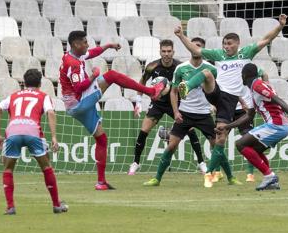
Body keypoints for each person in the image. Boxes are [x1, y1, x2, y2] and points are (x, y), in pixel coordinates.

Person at [174, 15, 287, 187]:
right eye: (224, 44)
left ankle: (218, 174)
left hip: (235, 102)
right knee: (206, 74)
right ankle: (187, 87)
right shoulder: (218, 54)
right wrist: (181, 36)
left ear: (237, 44)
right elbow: (196, 51)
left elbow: (265, 40)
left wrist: (279, 26)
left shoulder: (246, 53)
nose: (226, 47)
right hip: (219, 95)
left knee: (225, 139)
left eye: (229, 44)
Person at [59, 30, 165, 190]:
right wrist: (94, 76)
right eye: (85, 42)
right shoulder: (72, 64)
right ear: (76, 44)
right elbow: (79, 87)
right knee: (112, 76)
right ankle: (151, 91)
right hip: (79, 101)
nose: (87, 45)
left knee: (101, 139)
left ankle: (101, 182)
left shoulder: (75, 55)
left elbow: (92, 53)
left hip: (76, 106)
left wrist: (108, 46)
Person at [218, 63, 288, 191]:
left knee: (240, 144)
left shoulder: (257, 85)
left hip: (276, 125)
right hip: (276, 125)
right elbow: (249, 116)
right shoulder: (254, 89)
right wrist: (228, 126)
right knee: (254, 149)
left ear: (245, 76)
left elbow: (278, 100)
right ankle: (272, 182)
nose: (241, 78)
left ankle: (269, 176)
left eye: (242, 76)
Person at [144, 38, 219, 187]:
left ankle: (219, 174)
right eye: (194, 46)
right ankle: (157, 178)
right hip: (185, 112)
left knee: (216, 145)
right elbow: (173, 92)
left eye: (199, 47)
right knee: (171, 146)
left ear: (203, 50)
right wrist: (176, 111)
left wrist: (214, 104)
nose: (195, 49)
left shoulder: (211, 69)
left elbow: (215, 90)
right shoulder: (181, 68)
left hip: (204, 113)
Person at [0, 69, 68, 215]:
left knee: (8, 169)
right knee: (46, 167)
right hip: (33, 132)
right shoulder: (43, 96)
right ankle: (56, 205)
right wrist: (53, 137)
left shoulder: (13, 96)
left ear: (24, 83)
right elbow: (51, 112)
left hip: (13, 131)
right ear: (40, 83)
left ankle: (10, 207)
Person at [128, 39, 206, 175]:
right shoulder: (152, 66)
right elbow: (142, 82)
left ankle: (201, 163)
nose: (166, 54)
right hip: (158, 104)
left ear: (173, 52)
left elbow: (189, 85)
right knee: (144, 130)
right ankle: (135, 163)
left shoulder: (180, 67)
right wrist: (139, 102)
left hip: (176, 103)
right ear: (160, 52)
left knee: (190, 130)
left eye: (169, 51)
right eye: (164, 51)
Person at [235, 69, 269, 183]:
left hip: (246, 109)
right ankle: (216, 172)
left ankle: (250, 174)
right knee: (219, 139)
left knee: (248, 142)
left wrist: (267, 86)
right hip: (229, 108)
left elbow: (264, 74)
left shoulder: (249, 69)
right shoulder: (225, 69)